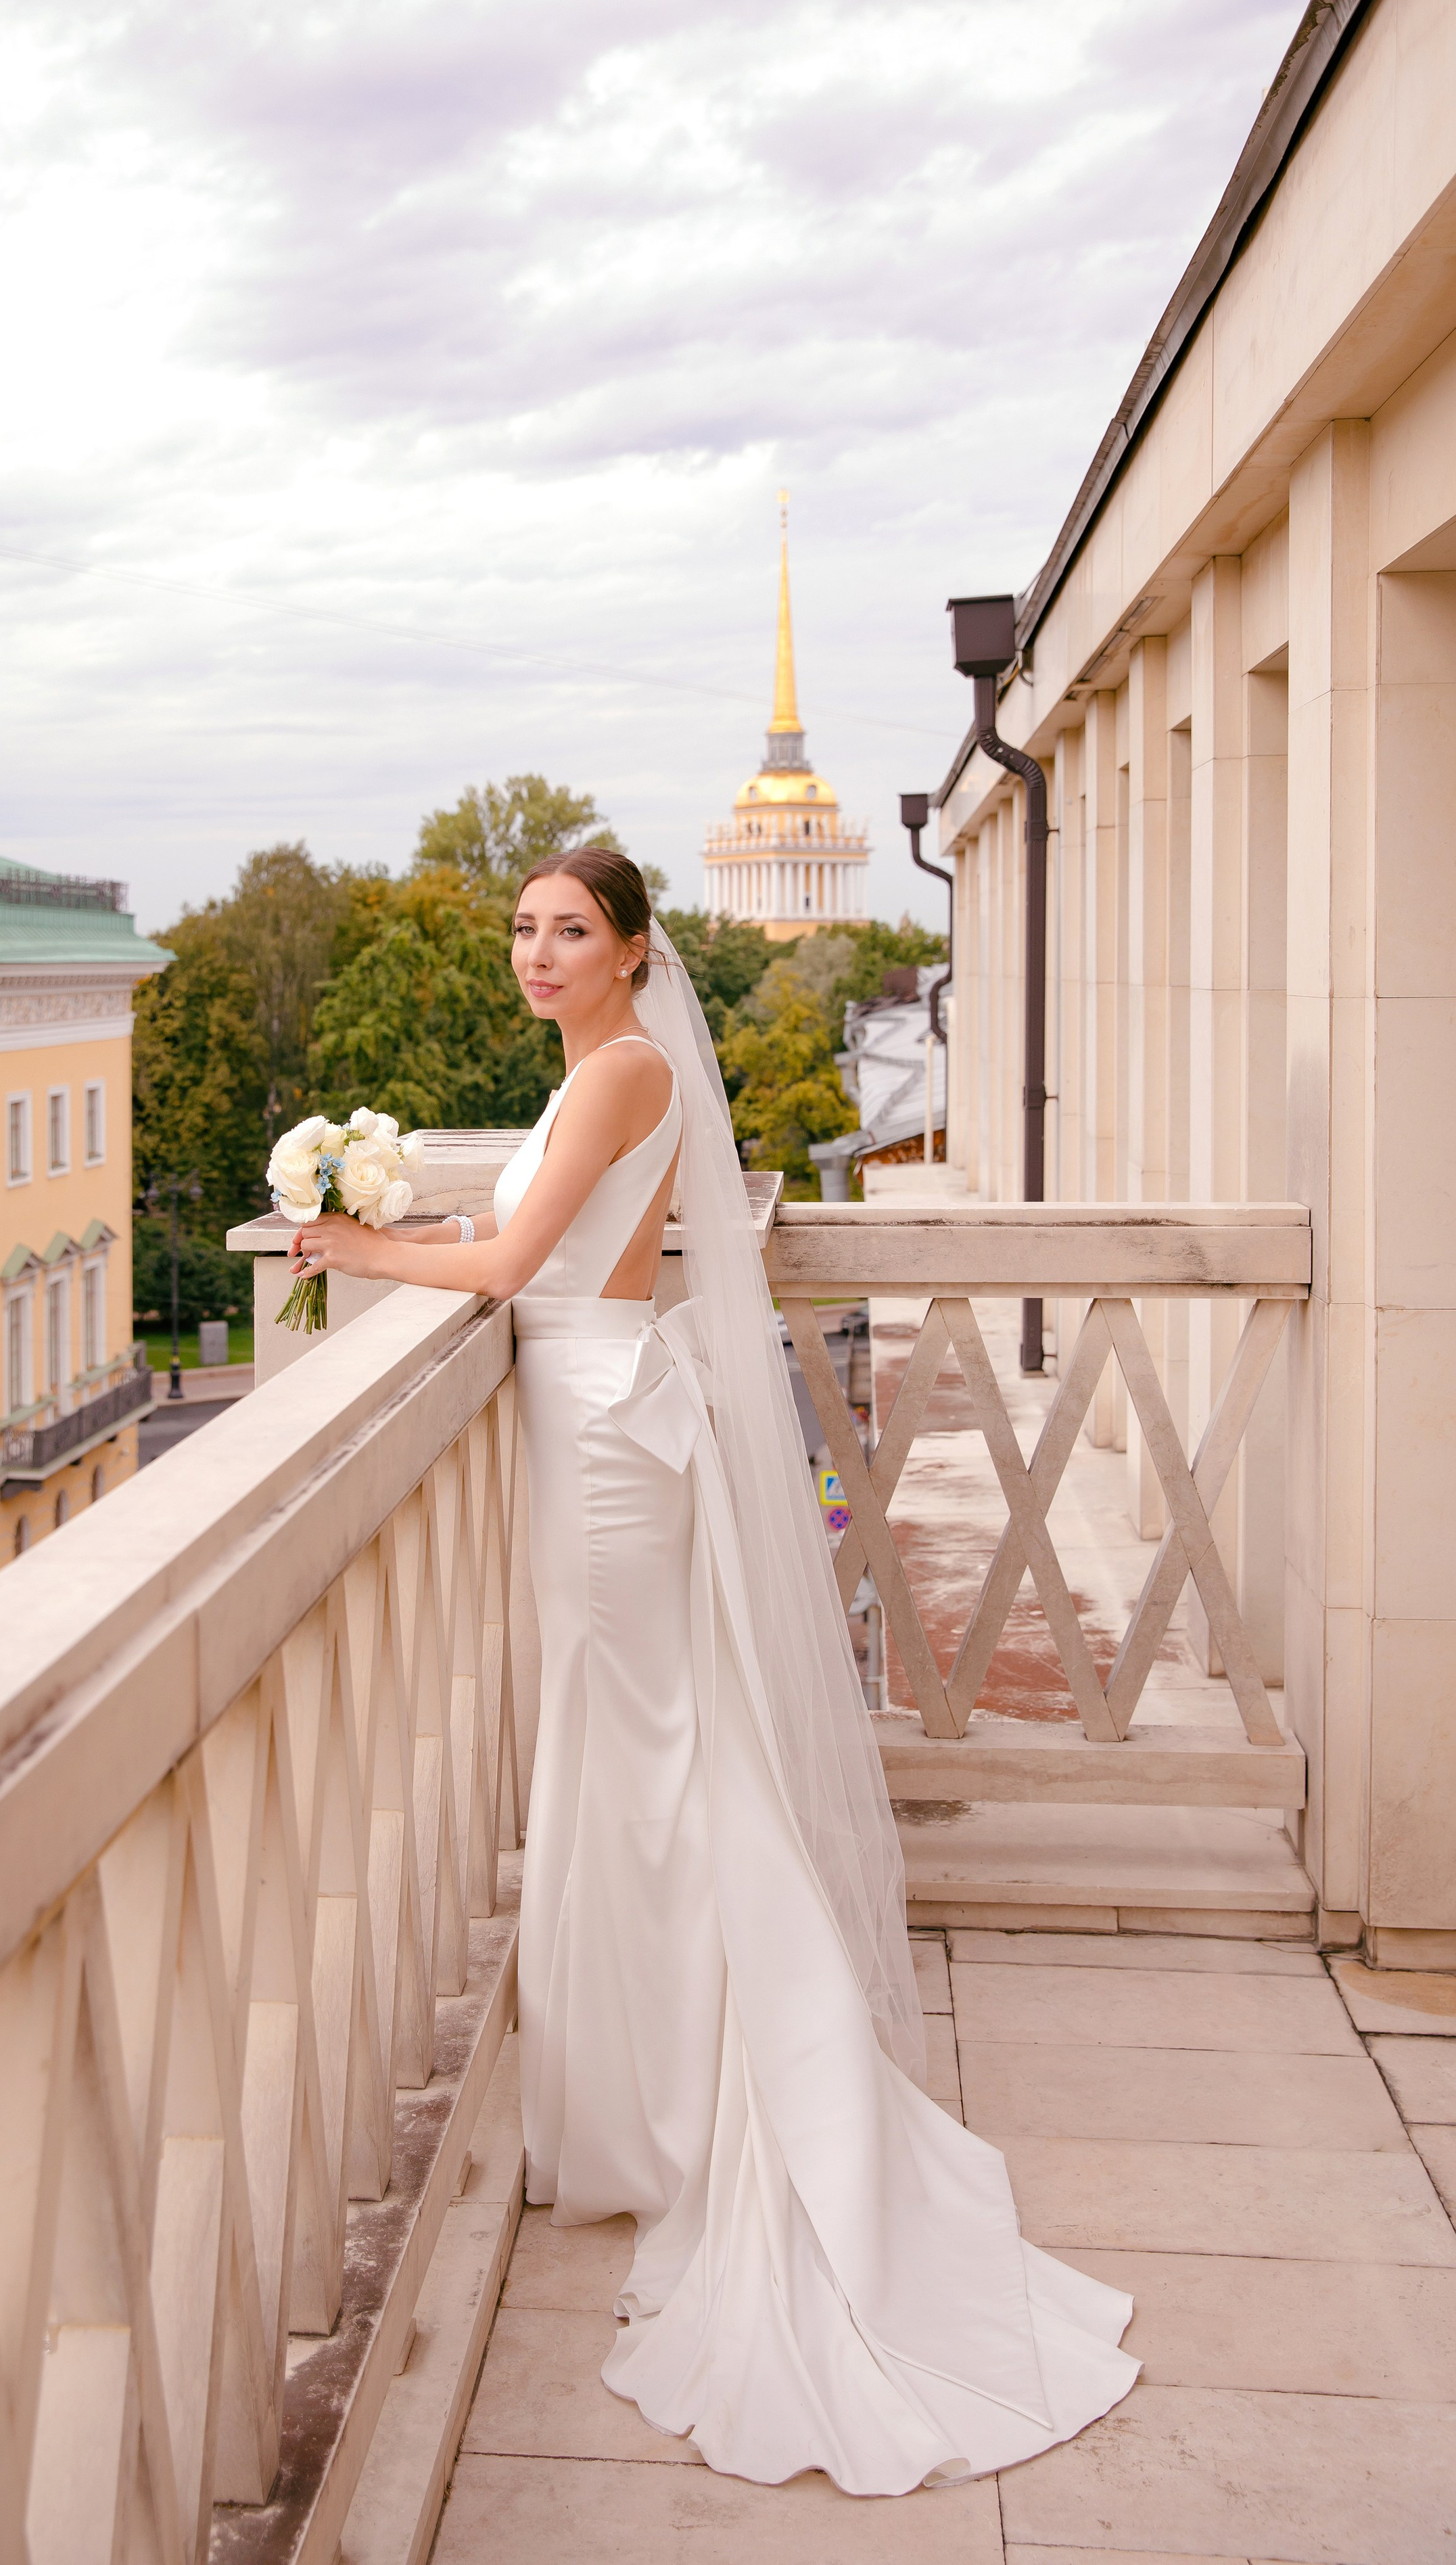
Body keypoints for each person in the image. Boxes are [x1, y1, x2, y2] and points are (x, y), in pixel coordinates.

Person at [288, 848, 1138, 2495]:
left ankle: (717, 2106)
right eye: (525, 931)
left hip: (599, 1433)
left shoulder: (619, 1070)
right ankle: (651, 2098)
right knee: (642, 1764)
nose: (538, 955)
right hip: (602, 1416)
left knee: (661, 1769)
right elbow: (536, 1229)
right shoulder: (602, 1074)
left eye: (570, 932)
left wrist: (348, 1241)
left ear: (630, 952)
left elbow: (511, 1274)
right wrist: (416, 1219)